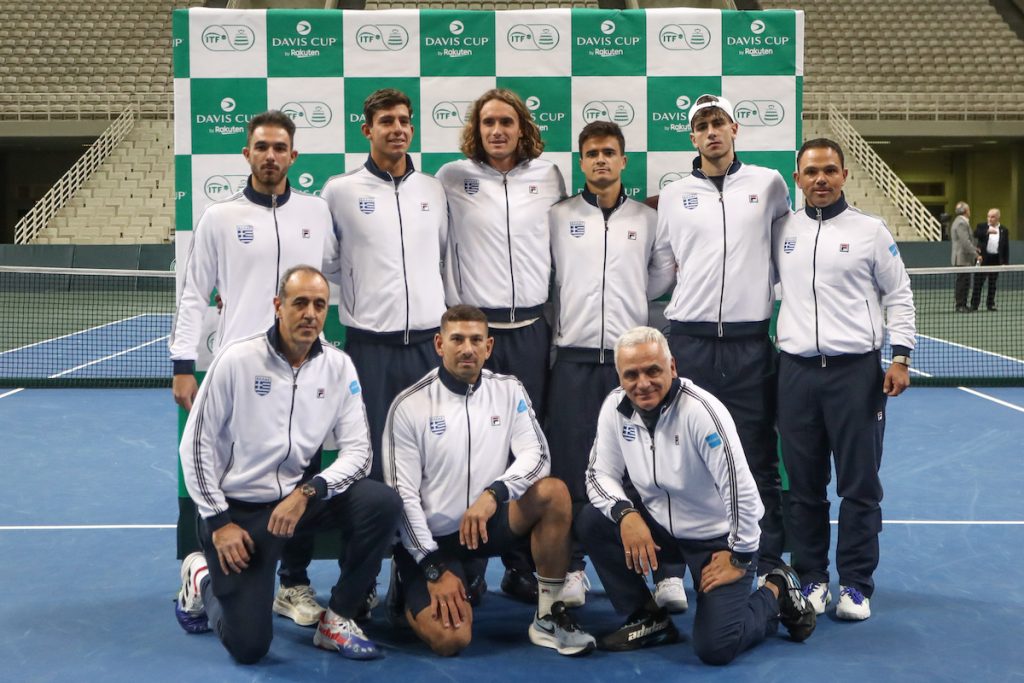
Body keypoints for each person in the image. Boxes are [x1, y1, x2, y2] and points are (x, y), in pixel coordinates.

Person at [174, 266, 403, 663]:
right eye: (300, 303)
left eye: (319, 304)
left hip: (296, 502)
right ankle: (201, 579)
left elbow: (359, 453)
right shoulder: (237, 360)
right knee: (248, 647)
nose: (310, 314)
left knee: (381, 503)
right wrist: (219, 523)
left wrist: (309, 491)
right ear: (278, 307)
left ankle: (338, 620)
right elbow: (195, 447)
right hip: (238, 515)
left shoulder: (338, 366)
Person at [168, 110, 339, 629]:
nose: (270, 155)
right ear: (247, 153)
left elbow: (332, 281)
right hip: (236, 374)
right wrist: (182, 364)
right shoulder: (219, 217)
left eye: (279, 147)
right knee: (218, 474)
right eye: (261, 146)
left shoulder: (317, 212)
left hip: (303, 369)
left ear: (294, 156)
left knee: (304, 473)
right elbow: (195, 292)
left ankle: (293, 582)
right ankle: (201, 571)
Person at [578, 326, 816, 663]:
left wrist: (741, 557)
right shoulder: (615, 408)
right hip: (660, 526)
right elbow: (598, 474)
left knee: (715, 647)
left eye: (652, 370)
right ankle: (648, 618)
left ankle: (776, 590)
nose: (642, 383)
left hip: (716, 540)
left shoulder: (702, 413)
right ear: (620, 376)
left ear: (672, 367)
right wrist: (625, 514)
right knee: (592, 520)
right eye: (631, 374)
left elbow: (743, 493)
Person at [381, 305, 596, 657]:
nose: (467, 348)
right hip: (432, 542)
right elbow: (402, 496)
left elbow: (537, 456)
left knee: (553, 493)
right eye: (457, 339)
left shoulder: (509, 391)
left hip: (483, 525)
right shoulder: (409, 405)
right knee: (452, 640)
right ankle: (407, 586)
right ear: (439, 344)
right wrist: (432, 568)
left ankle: (549, 615)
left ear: (489, 347)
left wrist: (495, 493)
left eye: (476, 340)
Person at [772, 138, 917, 621]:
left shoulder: (872, 232)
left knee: (859, 486)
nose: (820, 179)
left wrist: (901, 356)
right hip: (794, 374)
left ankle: (856, 585)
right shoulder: (781, 230)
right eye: (811, 171)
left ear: (844, 175)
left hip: (856, 376)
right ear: (797, 178)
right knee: (804, 489)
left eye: (829, 170)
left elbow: (898, 294)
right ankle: (811, 578)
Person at [436, 88, 566, 602]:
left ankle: (518, 564)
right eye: (488, 121)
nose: (497, 130)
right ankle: (464, 561)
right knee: (470, 445)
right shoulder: (451, 177)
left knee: (523, 448)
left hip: (533, 331)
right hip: (477, 332)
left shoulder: (548, 176)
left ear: (521, 127)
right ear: (477, 127)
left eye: (506, 122)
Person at [655, 94, 791, 579]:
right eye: (701, 125)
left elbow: (788, 254)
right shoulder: (673, 195)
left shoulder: (770, 185)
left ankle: (770, 563)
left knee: (757, 457)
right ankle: (673, 570)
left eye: (718, 122)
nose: (711, 131)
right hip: (688, 344)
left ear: (735, 128)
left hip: (750, 346)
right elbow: (662, 270)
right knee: (678, 457)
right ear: (691, 137)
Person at [546, 120, 679, 609]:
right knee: (575, 468)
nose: (601, 160)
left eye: (610, 152)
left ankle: (664, 572)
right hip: (575, 361)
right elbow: (547, 279)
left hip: (632, 369)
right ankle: (575, 568)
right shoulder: (558, 217)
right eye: (592, 153)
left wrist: (621, 301)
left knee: (648, 469)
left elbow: (660, 277)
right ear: (580, 162)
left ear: (624, 161)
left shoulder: (647, 219)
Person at [320, 89, 448, 482]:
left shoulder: (433, 188)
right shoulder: (339, 191)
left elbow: (440, 254)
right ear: (367, 130)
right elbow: (329, 264)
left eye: (404, 121)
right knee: (371, 453)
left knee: (431, 451)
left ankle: (423, 544)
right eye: (387, 122)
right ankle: (377, 540)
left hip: (429, 346)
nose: (398, 129)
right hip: (371, 347)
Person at [970, 207, 1010, 312]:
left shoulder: (1004, 230)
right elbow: (976, 233)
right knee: (978, 283)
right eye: (988, 216)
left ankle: (990, 304)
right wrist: (987, 231)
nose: (990, 219)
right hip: (983, 259)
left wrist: (1005, 262)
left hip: (996, 259)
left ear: (998, 218)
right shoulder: (982, 226)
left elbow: (1005, 247)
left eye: (992, 217)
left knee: (992, 284)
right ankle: (974, 305)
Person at [950, 200, 980, 313]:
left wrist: (974, 248)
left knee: (965, 282)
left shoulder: (960, 222)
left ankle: (963, 304)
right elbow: (965, 242)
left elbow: (966, 241)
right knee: (962, 282)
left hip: (964, 258)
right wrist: (976, 254)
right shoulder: (961, 223)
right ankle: (960, 305)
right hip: (962, 259)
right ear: (966, 211)